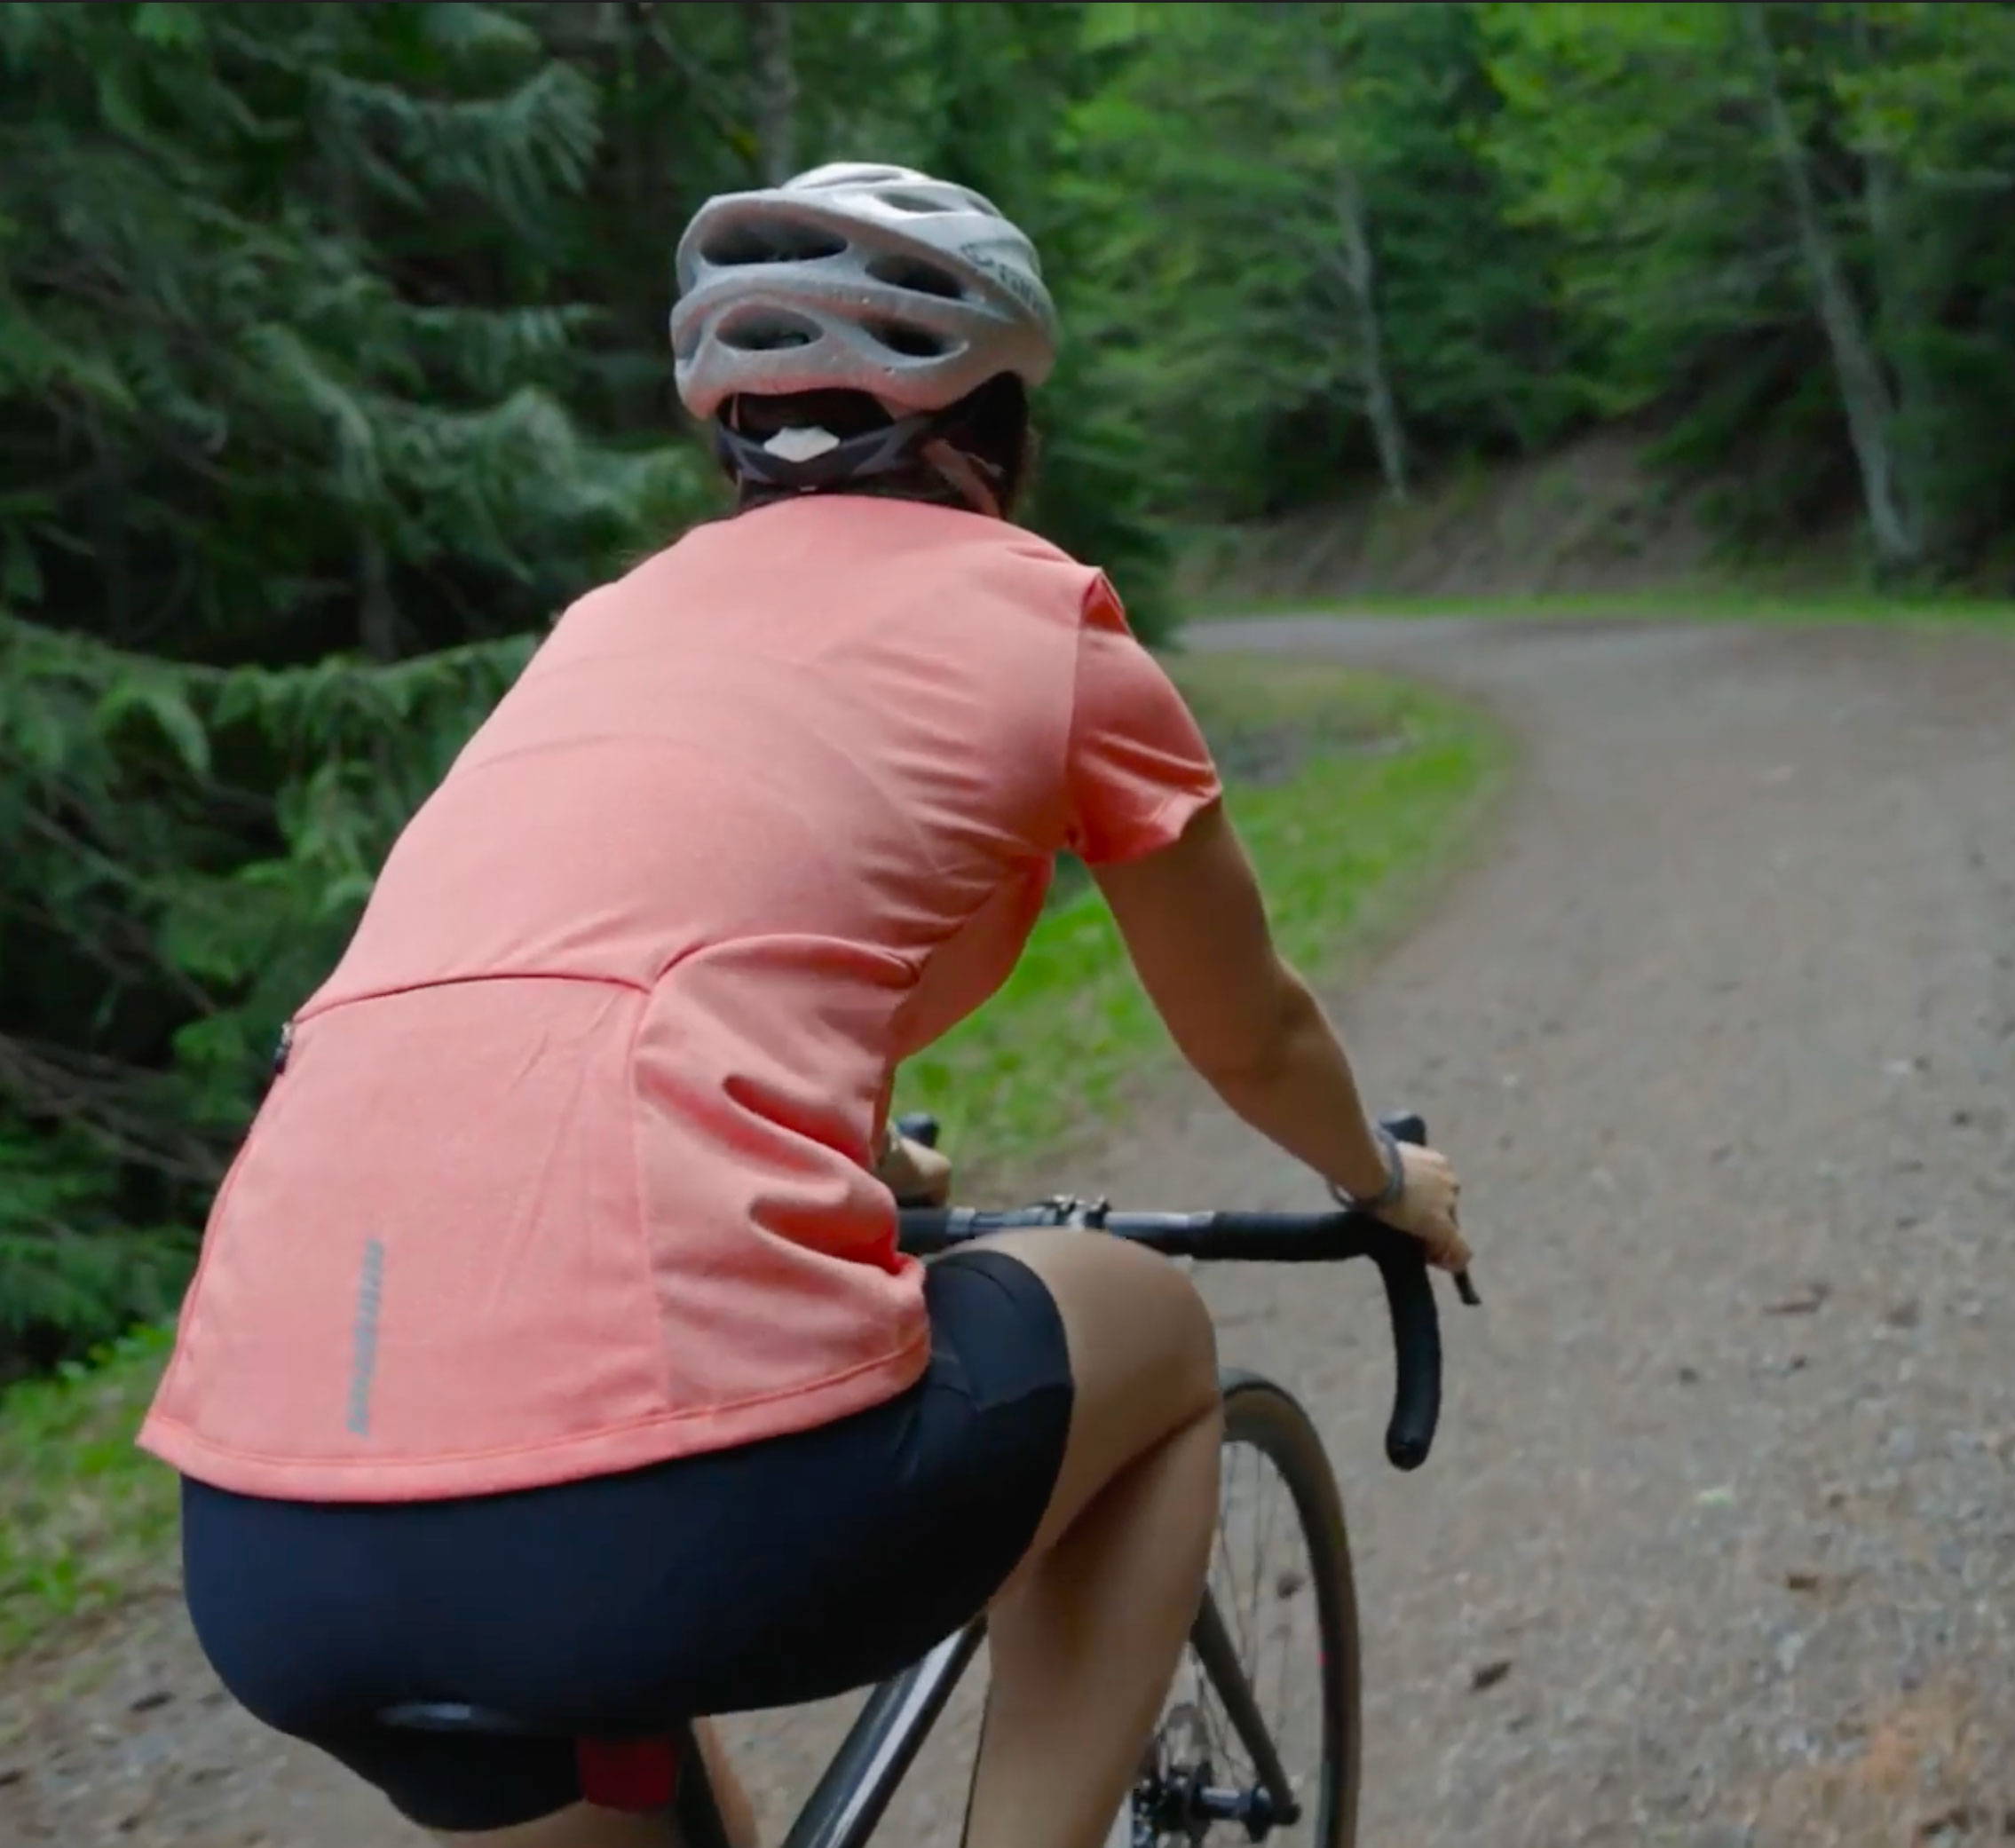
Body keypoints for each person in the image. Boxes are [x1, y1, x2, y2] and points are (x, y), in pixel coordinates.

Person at [138, 162, 1468, 1848]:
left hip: (275, 1534)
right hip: (667, 1517)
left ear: (731, 449)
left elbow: (626, 966)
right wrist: (1380, 1182)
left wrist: (849, 1155)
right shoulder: (1043, 620)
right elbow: (1250, 1028)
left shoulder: (601, 633)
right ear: (999, 432)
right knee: (1156, 1331)